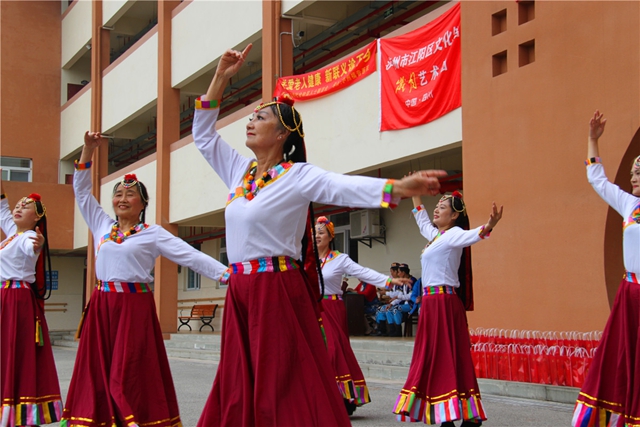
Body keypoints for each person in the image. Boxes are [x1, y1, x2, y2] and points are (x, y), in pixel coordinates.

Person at [192, 44, 446, 427]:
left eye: (260, 118)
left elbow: (346, 187)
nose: (250, 121)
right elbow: (203, 136)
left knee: (280, 380)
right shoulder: (239, 172)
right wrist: (220, 78)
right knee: (238, 378)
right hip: (241, 288)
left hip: (276, 286)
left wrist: (400, 187)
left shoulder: (297, 175)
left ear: (281, 135)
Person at [60, 133, 229, 427]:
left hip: (134, 307)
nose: (122, 199)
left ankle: (133, 417)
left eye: (129, 195)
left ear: (142, 203)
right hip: (102, 305)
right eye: (118, 194)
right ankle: (98, 417)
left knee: (130, 366)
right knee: (98, 366)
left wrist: (226, 274)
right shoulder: (101, 225)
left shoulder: (153, 233)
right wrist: (88, 150)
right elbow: (82, 192)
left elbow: (189, 256)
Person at [393, 191, 502, 426]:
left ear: (453, 216)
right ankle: (449, 411)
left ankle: (455, 413)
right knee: (433, 356)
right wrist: (415, 195)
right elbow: (422, 220)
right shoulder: (436, 237)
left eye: (442, 207)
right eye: (437, 206)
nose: (437, 209)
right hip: (431, 304)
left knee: (448, 356)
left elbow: (474, 235)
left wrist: (490, 225)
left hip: (444, 303)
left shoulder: (454, 235)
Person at [571, 111, 640, 427]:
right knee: (625, 361)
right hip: (631, 294)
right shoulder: (630, 205)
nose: (634, 176)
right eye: (633, 171)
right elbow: (596, 178)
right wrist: (593, 139)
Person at [315, 216, 410, 415]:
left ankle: (342, 396)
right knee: (317, 353)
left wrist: (388, 281)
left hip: (332, 308)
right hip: (313, 309)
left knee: (334, 351)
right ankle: (321, 397)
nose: (317, 235)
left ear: (330, 236)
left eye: (321, 232)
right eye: (315, 232)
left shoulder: (340, 259)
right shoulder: (307, 259)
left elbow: (363, 272)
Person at [0, 186, 62, 426]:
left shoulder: (27, 237)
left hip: (17, 300)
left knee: (14, 350)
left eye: (25, 207)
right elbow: (3, 209)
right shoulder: (12, 235)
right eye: (18, 205)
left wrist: (38, 245)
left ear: (37, 217)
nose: (18, 208)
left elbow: (31, 248)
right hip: (6, 297)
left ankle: (17, 411)